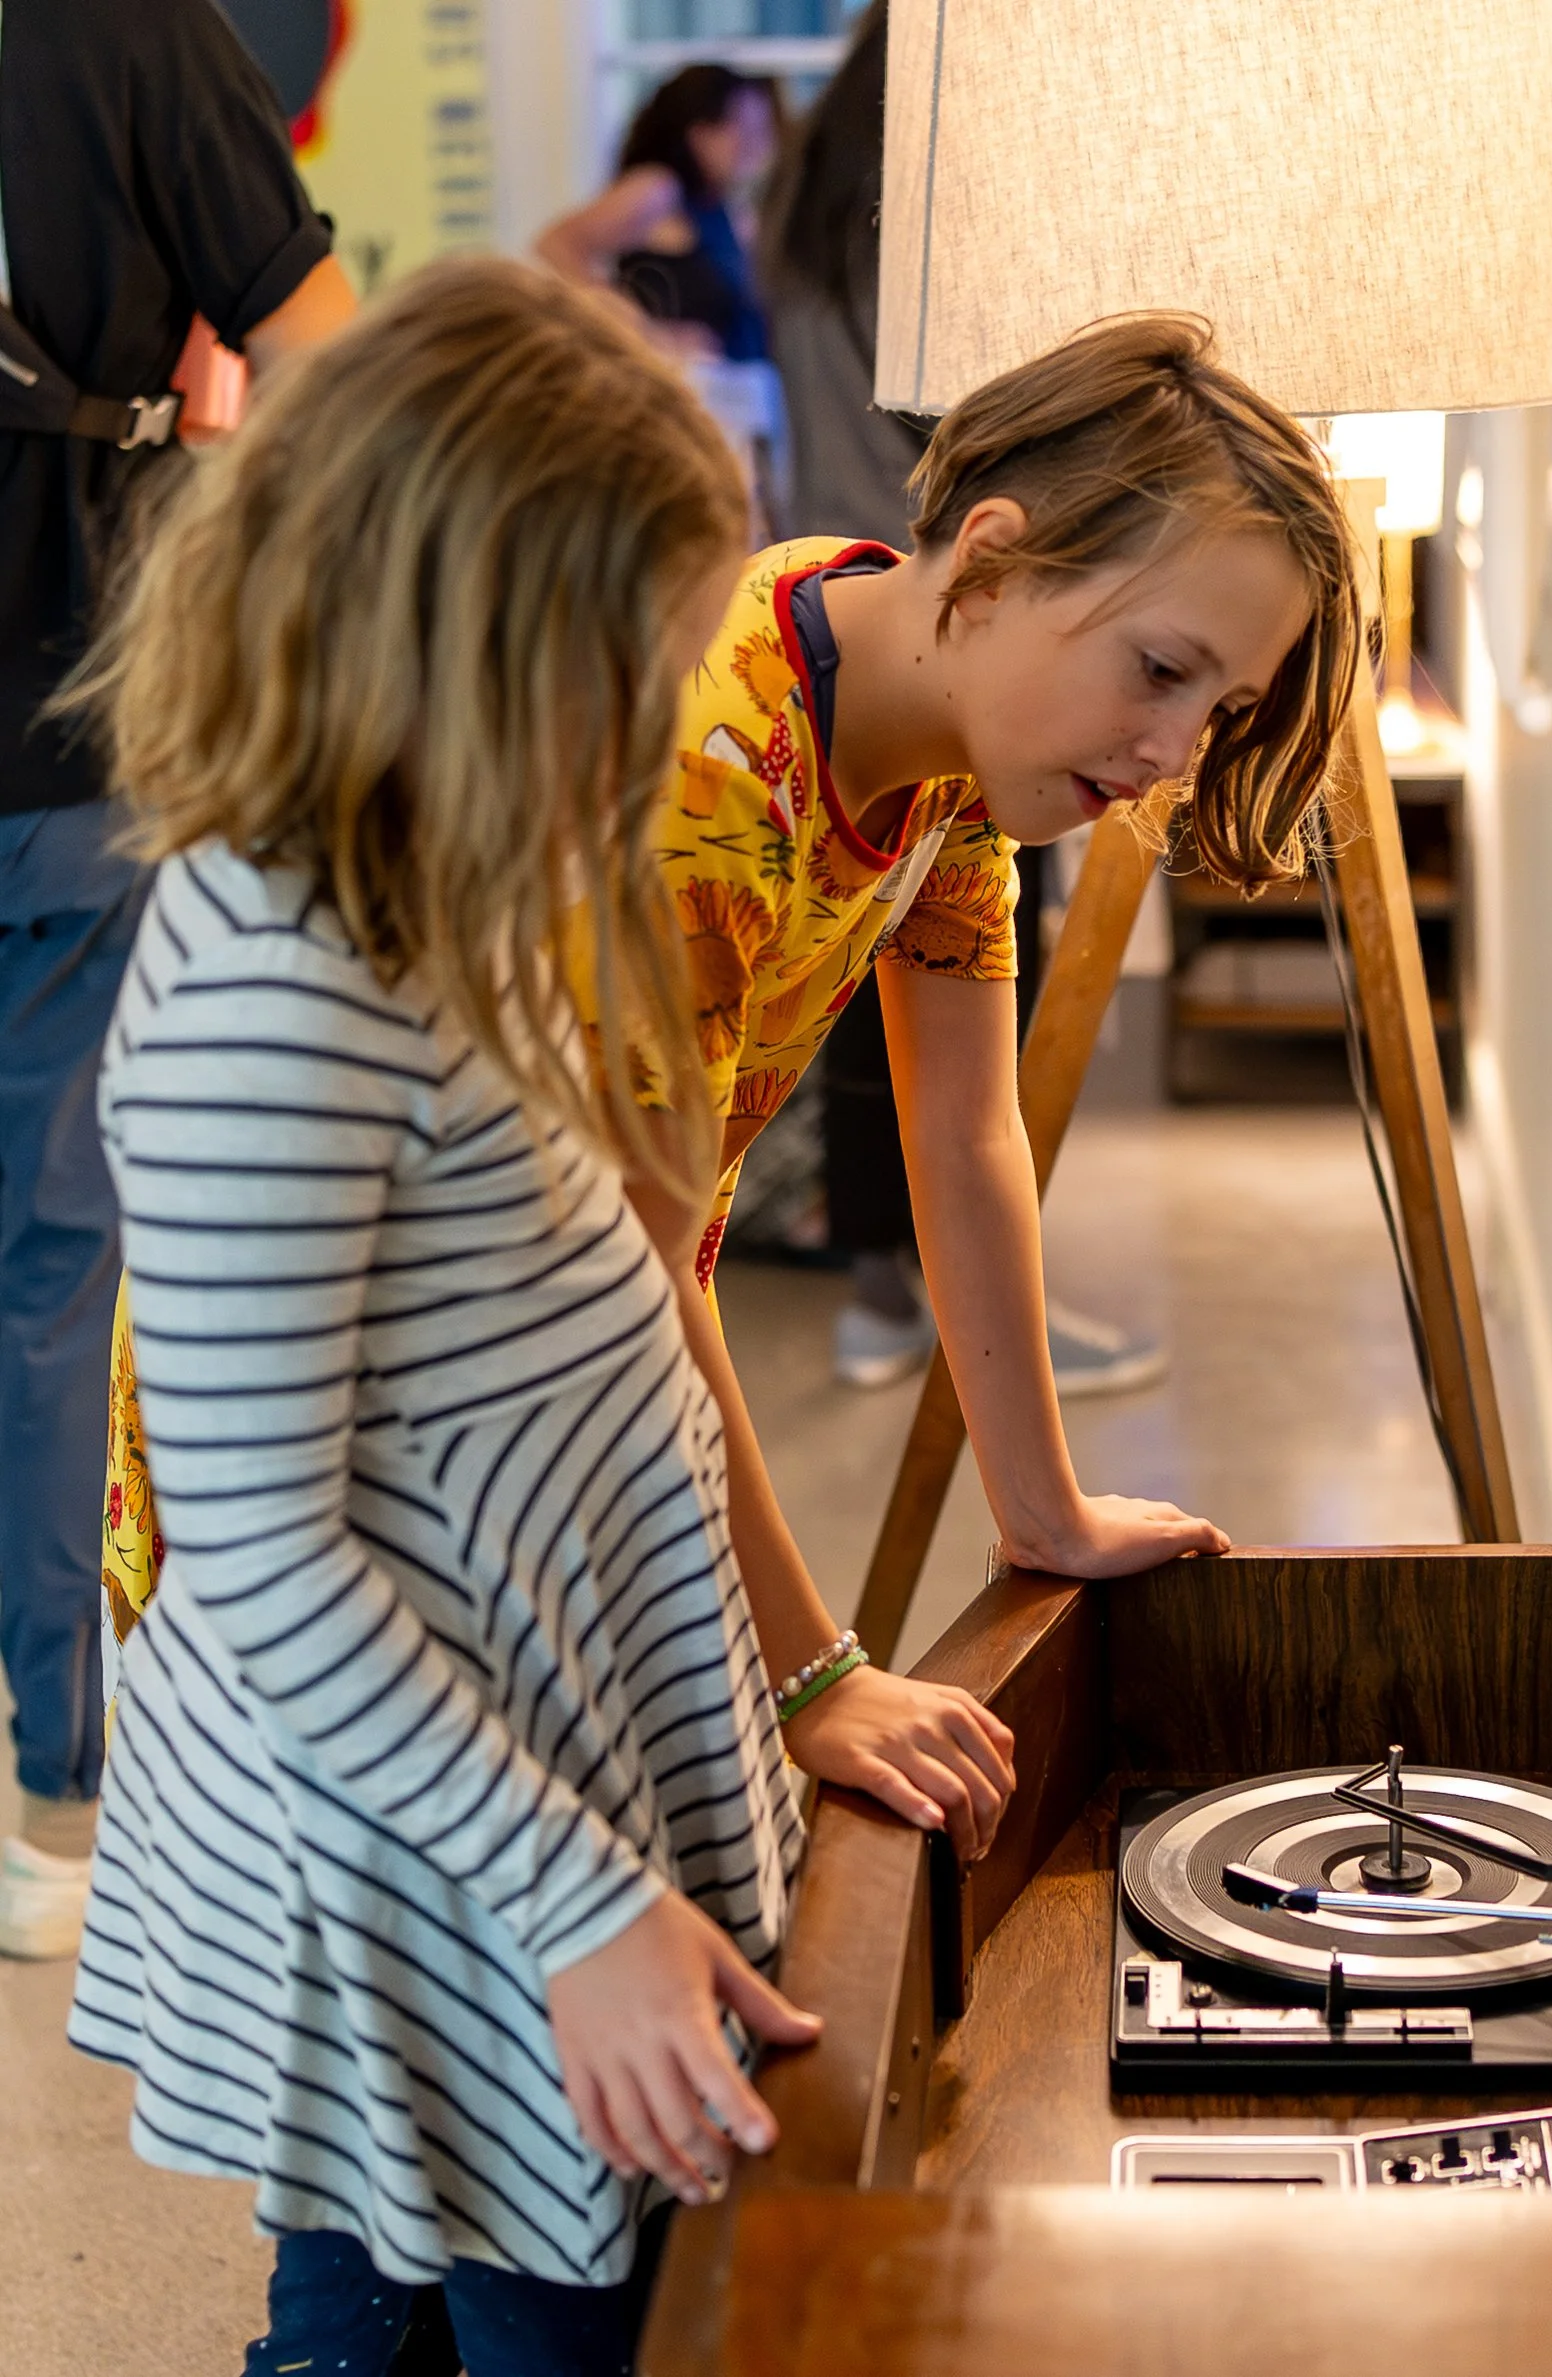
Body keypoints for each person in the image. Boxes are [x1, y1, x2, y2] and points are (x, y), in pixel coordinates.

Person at [59, 259, 1010, 2376]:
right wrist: (578, 1906)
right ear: (464, 647)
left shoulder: (452, 886)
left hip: (535, 1788)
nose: (666, 729)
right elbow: (265, 1564)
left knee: (435, 2302)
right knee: (504, 2320)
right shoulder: (261, 999)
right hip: (435, 1865)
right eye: (632, 673)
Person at [566, 310, 1362, 1678]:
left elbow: (967, 1132)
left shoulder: (927, 700)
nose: (1175, 751)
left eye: (1221, 710)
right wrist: (816, 1678)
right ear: (990, 564)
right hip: (381, 1403)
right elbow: (630, 1267)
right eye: (1162, 670)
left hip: (590, 1373)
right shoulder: (712, 777)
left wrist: (1044, 1512)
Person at [0, 0, 354, 1962]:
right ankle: (59, 1800)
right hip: (71, 737)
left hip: (73, 761)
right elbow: (320, 356)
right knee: (60, 1270)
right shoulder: (128, 24)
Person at [757, 0, 1164, 1396]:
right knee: (958, 987)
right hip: (948, 608)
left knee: (864, 982)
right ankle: (934, 1294)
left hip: (833, 589)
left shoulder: (802, 198)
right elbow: (978, 432)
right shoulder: (921, 223)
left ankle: (892, 1286)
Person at [536, 64, 785, 527]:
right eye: (741, 128)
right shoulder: (658, 190)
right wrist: (646, 333)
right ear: (698, 130)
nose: (754, 144)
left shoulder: (725, 208)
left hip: (739, 408)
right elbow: (556, 246)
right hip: (687, 407)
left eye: (759, 129)